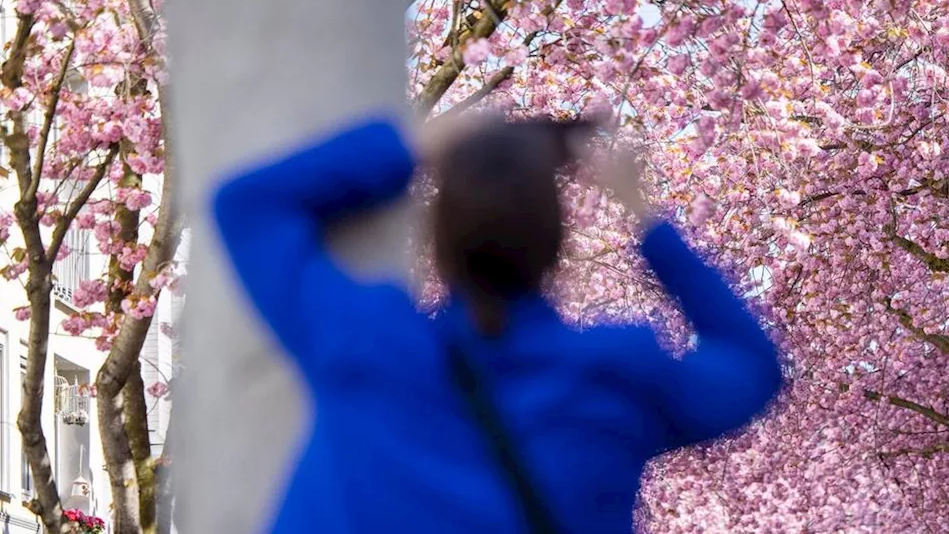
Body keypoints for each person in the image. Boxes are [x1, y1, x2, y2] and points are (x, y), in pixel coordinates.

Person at [212, 110, 783, 533]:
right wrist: (646, 220)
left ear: (438, 239)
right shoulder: (617, 380)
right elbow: (752, 365)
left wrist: (423, 146)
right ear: (557, 244)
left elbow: (248, 206)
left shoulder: (365, 341)